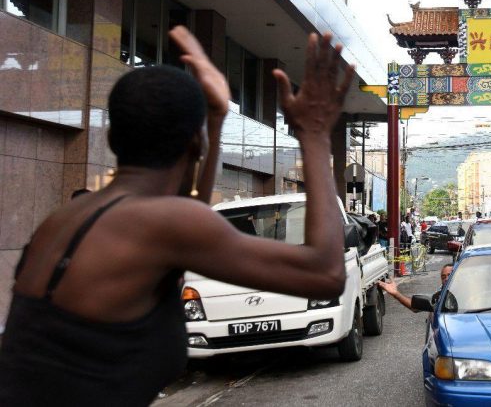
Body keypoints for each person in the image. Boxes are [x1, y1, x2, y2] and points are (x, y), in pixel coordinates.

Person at [0, 28, 354, 406]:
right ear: (194, 144)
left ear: (112, 139)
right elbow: (324, 274)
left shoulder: (68, 217)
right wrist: (314, 134)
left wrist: (216, 121)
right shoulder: (162, 224)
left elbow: (191, 224)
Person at [378, 263, 454, 310]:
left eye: (450, 275)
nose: (446, 279)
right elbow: (415, 307)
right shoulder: (441, 296)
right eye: (443, 277)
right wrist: (396, 293)